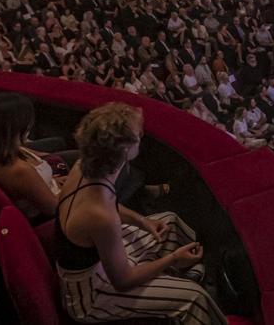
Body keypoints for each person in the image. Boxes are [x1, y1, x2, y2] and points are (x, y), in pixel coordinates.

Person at [54, 102, 225, 324]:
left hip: (98, 264)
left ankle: (177, 275)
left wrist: (142, 221)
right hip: (90, 294)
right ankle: (182, 281)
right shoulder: (100, 215)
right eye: (138, 134)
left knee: (169, 222)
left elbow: (110, 206)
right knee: (195, 297)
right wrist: (173, 258)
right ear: (124, 150)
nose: (142, 135)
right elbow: (122, 281)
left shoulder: (82, 167)